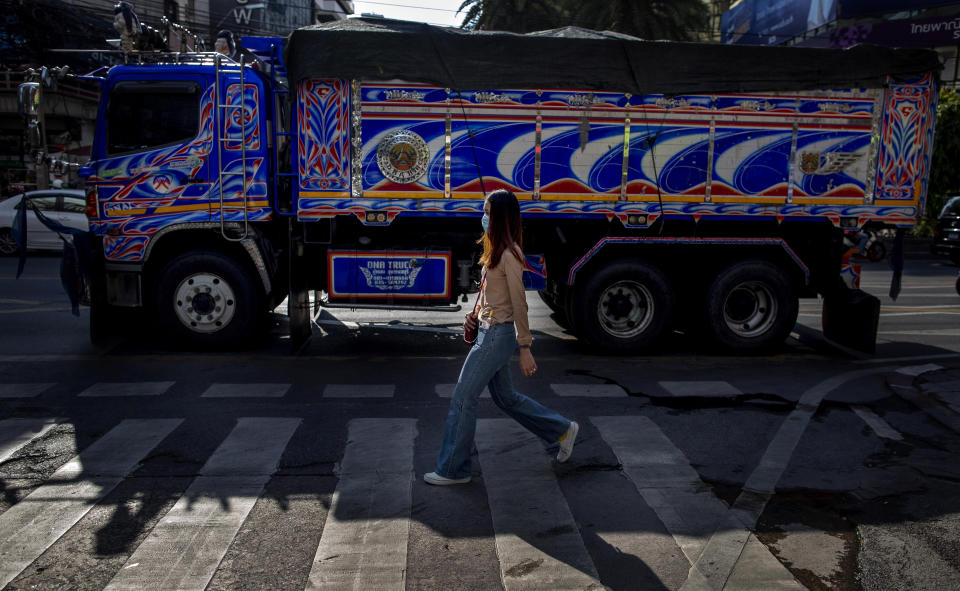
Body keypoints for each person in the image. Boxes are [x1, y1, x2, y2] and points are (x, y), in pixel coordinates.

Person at [424, 189, 578, 486]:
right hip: (488, 329)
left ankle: (454, 469)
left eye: (487, 212)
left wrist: (525, 346)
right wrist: (475, 313)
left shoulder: (510, 254)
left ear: (501, 218)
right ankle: (562, 431)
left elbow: (519, 302)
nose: (483, 217)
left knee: (463, 398)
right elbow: (495, 296)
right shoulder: (495, 250)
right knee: (506, 398)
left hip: (498, 335)